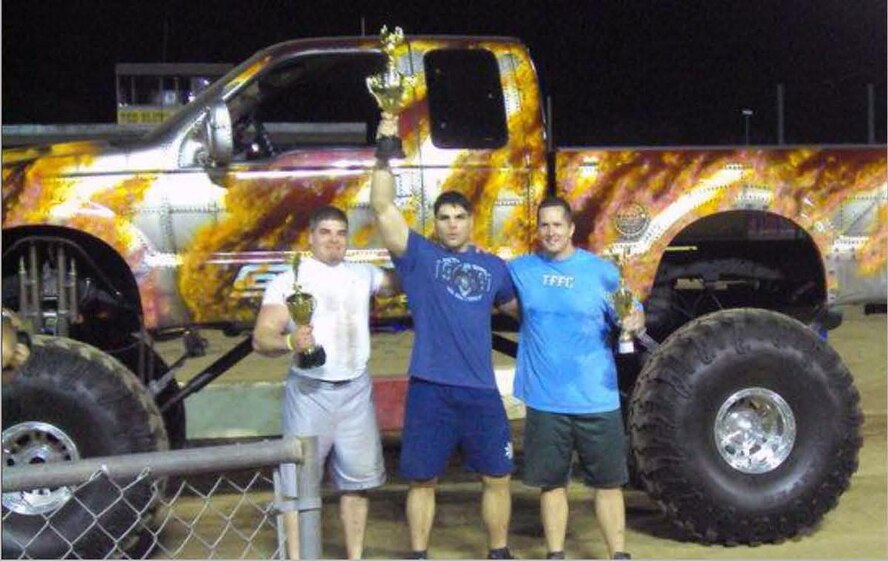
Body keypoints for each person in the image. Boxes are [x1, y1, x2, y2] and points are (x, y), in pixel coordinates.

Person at [370, 117, 519, 560]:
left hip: (480, 390)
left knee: (497, 476)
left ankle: (499, 552)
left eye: (459, 217)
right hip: (431, 388)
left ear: (472, 221)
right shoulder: (418, 257)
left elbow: (524, 314)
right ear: (434, 223)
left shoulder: (494, 267)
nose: (452, 224)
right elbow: (381, 207)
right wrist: (384, 145)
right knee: (422, 480)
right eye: (444, 218)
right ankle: (418, 554)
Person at [253, 205, 396, 560]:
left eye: (340, 233)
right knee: (297, 488)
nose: (333, 240)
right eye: (325, 232)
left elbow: (402, 279)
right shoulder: (289, 282)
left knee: (358, 485)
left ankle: (356, 557)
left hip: (356, 391)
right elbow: (261, 338)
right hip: (311, 394)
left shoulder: (364, 275)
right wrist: (289, 343)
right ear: (311, 237)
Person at [507, 196, 644, 560]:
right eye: (544, 225)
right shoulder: (521, 270)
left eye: (557, 225)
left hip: (596, 398)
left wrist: (634, 320)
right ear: (538, 230)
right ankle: (556, 554)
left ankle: (618, 554)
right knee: (551, 484)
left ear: (570, 229)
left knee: (609, 483)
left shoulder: (601, 271)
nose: (550, 232)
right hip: (545, 399)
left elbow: (632, 312)